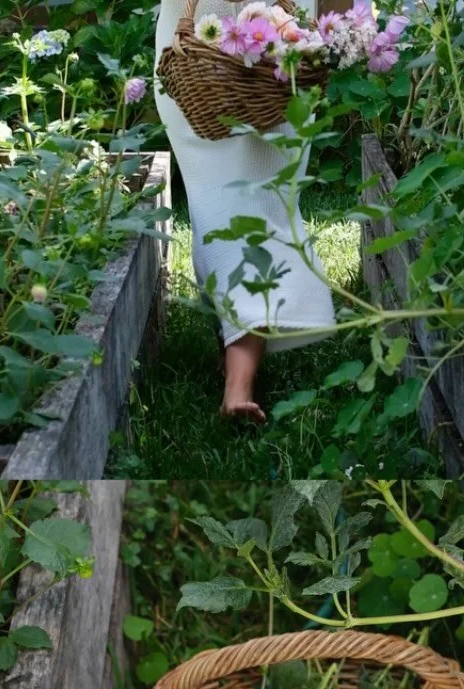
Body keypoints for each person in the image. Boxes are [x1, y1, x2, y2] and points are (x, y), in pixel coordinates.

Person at [155, 0, 337, 422]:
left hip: (279, 45)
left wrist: (331, 32)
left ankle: (238, 377)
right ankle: (236, 344)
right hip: (194, 47)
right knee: (216, 203)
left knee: (258, 203)